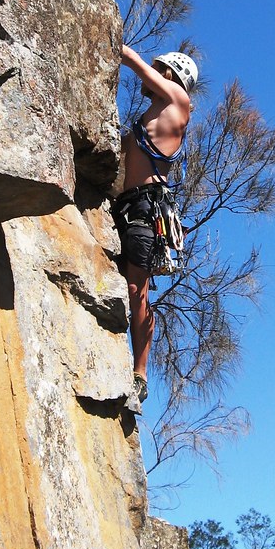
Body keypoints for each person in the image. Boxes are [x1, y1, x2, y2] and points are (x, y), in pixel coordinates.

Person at [113, 44, 198, 409]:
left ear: (171, 75)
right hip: (126, 203)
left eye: (158, 67)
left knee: (138, 288)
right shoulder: (153, 111)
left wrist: (116, 45)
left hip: (147, 208)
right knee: (130, 286)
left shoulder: (179, 102)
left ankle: (141, 373)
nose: (152, 70)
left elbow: (136, 65)